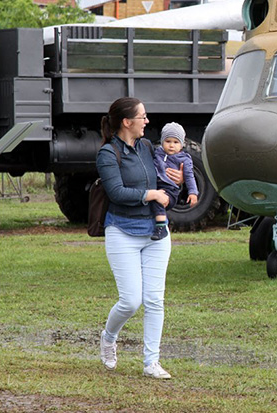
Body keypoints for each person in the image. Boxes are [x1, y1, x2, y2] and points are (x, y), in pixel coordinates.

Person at [96, 97, 183, 380]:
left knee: (155, 299)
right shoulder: (108, 154)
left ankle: (151, 363)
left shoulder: (148, 147)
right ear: (127, 122)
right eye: (142, 117)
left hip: (157, 232)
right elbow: (117, 193)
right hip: (122, 231)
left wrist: (176, 184)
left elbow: (165, 188)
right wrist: (151, 195)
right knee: (131, 301)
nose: (147, 121)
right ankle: (109, 337)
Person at [150, 122, 199, 241]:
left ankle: (161, 227)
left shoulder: (184, 159)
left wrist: (193, 193)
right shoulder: (158, 153)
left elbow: (189, 176)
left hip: (170, 189)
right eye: (168, 141)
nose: (171, 145)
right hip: (155, 185)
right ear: (162, 142)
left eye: (176, 142)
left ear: (182, 144)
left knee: (158, 200)